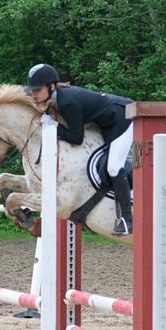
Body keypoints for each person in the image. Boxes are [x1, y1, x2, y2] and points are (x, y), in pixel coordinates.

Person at [24, 63, 135, 235]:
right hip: (107, 124)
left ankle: (127, 220)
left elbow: (76, 138)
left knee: (113, 166)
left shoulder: (67, 102)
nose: (33, 94)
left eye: (37, 90)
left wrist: (54, 127)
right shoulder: (55, 98)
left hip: (123, 118)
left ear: (51, 86)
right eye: (32, 90)